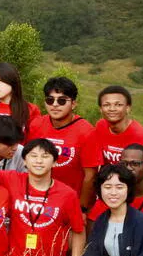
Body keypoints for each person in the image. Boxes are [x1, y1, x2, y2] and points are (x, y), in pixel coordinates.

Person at [1, 138, 85, 256]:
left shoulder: (67, 195)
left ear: (54, 162)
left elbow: (79, 231)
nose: (39, 161)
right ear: (24, 161)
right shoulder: (11, 180)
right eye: (33, 156)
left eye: (45, 156)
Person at [26, 76, 101, 209]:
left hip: (70, 202)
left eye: (61, 100)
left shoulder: (86, 131)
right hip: (38, 201)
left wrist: (81, 209)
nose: (55, 104)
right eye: (50, 100)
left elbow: (90, 176)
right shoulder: (36, 124)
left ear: (73, 103)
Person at [94, 85, 143, 179]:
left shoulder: (139, 135)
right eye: (106, 105)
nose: (112, 109)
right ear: (100, 109)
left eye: (118, 105)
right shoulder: (101, 126)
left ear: (127, 108)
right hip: (111, 186)